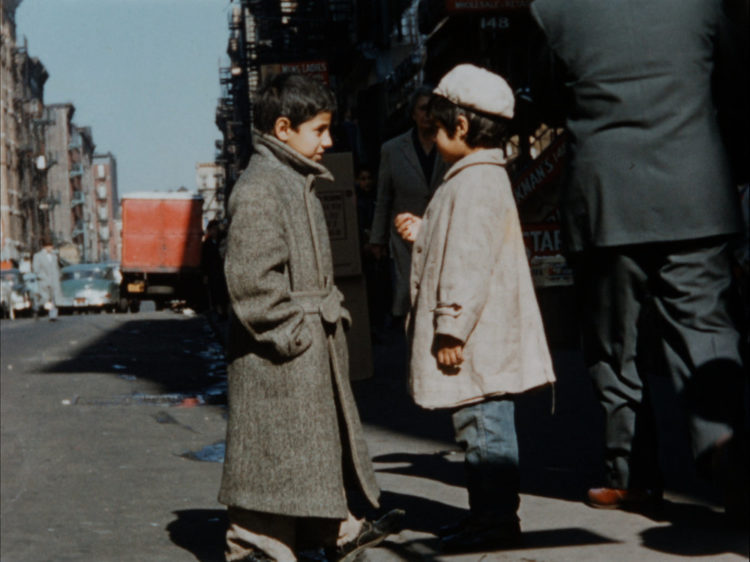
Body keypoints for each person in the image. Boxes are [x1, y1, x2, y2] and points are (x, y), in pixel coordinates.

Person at [530, 0, 749, 520]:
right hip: (694, 193)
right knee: (706, 331)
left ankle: (631, 476)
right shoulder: (703, 4)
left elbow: (546, 102)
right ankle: (731, 459)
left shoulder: (552, 10)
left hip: (606, 199)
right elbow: (737, 89)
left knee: (614, 346)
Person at [217, 73, 402, 562]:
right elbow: (252, 282)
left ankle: (334, 530)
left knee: (307, 450)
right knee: (273, 454)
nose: (329, 141)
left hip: (302, 348)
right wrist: (294, 335)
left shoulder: (292, 180)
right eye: (319, 130)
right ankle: (258, 546)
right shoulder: (261, 188)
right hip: (279, 355)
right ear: (283, 129)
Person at [395, 64, 556, 552]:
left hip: (475, 338)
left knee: (483, 433)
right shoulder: (475, 176)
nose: (432, 136)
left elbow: (468, 260)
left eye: (437, 128)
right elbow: (461, 240)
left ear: (461, 126)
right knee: (478, 430)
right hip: (480, 335)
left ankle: (496, 521)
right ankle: (485, 516)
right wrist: (424, 232)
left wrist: (451, 328)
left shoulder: (474, 181)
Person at [368, 86, 446, 324]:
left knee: (442, 294)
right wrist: (377, 239)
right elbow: (384, 198)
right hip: (405, 239)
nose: (427, 115)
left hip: (442, 230)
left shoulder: (449, 145)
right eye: (422, 109)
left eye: (432, 109)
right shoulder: (392, 150)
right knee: (410, 299)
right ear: (413, 113)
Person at [201, 219, 228, 319]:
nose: (214, 232)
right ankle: (219, 312)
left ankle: (224, 311)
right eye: (212, 229)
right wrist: (205, 274)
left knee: (224, 292)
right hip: (213, 271)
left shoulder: (223, 241)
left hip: (223, 270)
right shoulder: (207, 243)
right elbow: (204, 260)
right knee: (215, 292)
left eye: (215, 229)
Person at [32, 236, 62, 321]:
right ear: (45, 247)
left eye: (51, 246)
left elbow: (56, 267)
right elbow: (36, 269)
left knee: (53, 298)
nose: (51, 248)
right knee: (45, 298)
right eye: (49, 246)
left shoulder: (54, 256)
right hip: (44, 281)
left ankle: (53, 315)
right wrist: (43, 277)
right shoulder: (38, 256)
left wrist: (58, 276)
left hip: (54, 280)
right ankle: (37, 308)